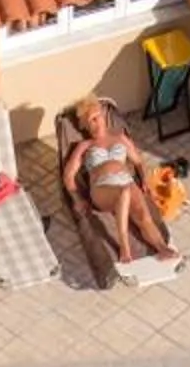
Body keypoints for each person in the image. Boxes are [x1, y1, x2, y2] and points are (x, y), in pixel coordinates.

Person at [61, 98, 178, 266]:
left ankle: (162, 248)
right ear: (85, 126)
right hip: (102, 187)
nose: (97, 121)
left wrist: (144, 180)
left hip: (127, 181)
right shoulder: (84, 146)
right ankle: (125, 246)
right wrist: (77, 199)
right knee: (124, 192)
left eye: (98, 116)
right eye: (91, 120)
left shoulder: (120, 138)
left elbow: (138, 162)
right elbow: (68, 175)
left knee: (144, 216)